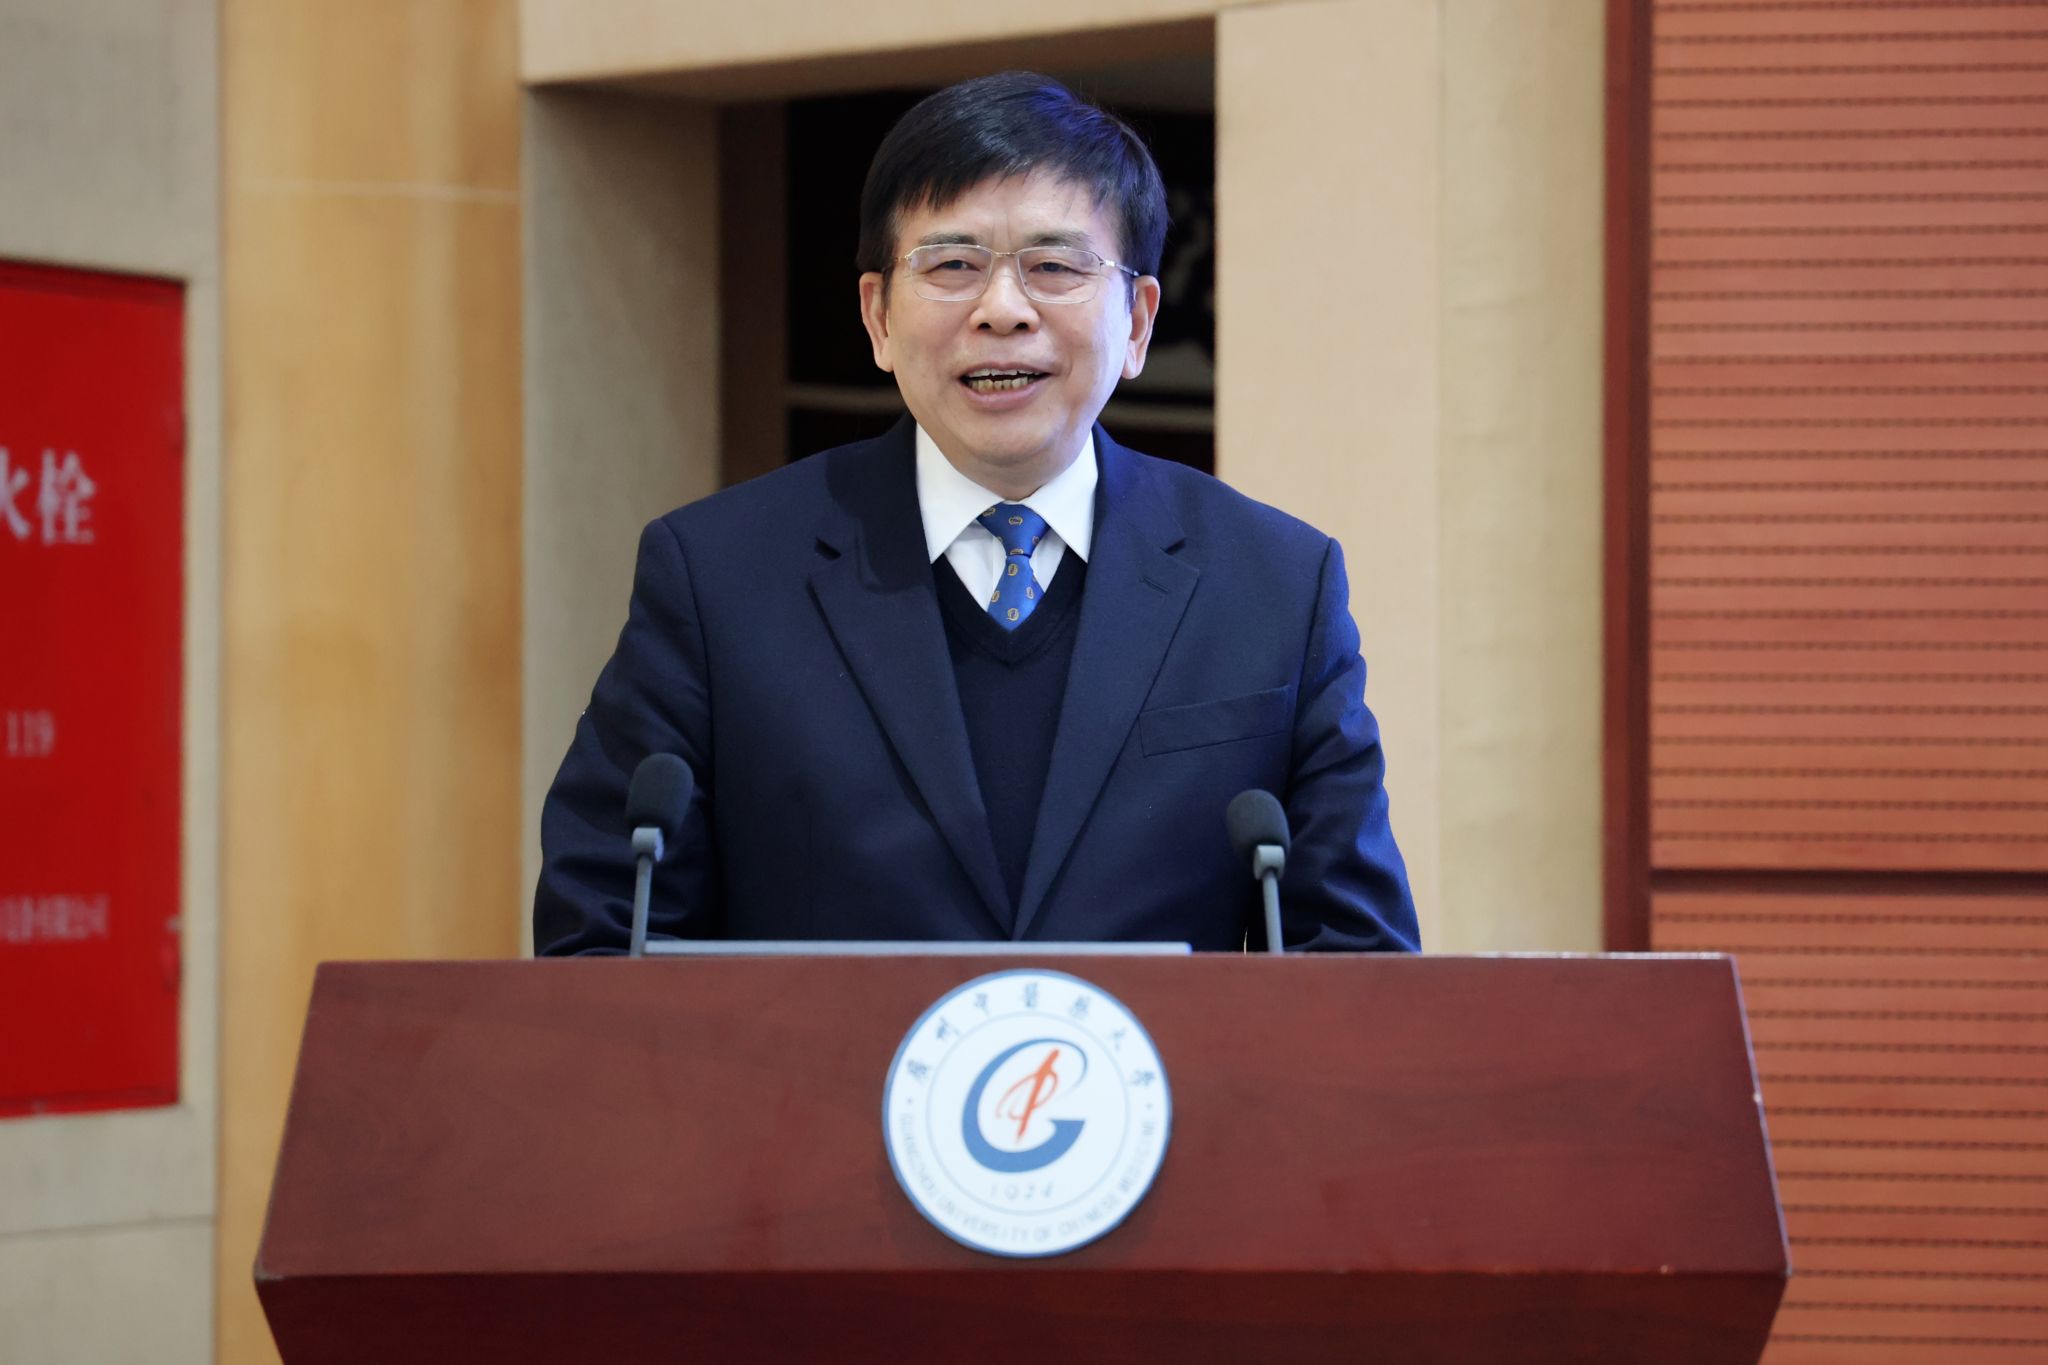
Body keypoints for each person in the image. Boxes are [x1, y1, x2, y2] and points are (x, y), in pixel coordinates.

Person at [534, 72, 1417, 955]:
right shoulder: (718, 577)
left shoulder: (1274, 586)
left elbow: (1361, 970)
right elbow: (603, 936)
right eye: (953, 266)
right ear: (877, 317)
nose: (1003, 311)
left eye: (1055, 267)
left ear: (1139, 322)